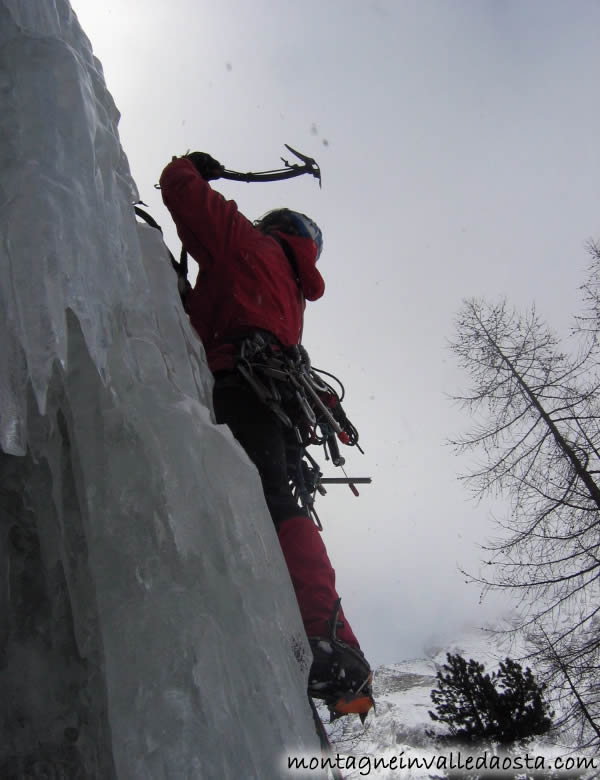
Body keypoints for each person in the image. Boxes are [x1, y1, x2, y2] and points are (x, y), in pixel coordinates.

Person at [159, 152, 373, 719]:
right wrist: (327, 407)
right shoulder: (293, 297)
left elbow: (179, 190)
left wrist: (192, 166)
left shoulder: (247, 245)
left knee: (263, 501)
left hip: (239, 385)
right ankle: (328, 634)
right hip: (276, 401)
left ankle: (330, 642)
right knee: (278, 503)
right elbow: (290, 356)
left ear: (274, 227)